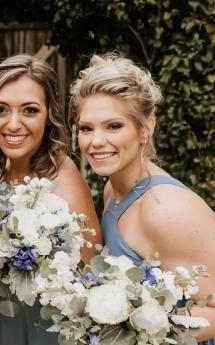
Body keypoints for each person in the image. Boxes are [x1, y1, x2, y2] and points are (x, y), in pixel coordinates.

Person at [71, 53, 215, 343]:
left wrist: (138, 334)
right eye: (86, 128)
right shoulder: (114, 188)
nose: (96, 141)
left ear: (146, 128)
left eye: (113, 126)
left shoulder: (165, 210)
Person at [0, 54, 102, 345]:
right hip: (1, 329)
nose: (13, 124)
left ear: (48, 116)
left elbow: (91, 283)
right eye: (0, 110)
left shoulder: (65, 186)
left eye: (30, 110)